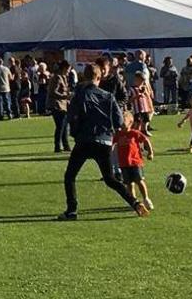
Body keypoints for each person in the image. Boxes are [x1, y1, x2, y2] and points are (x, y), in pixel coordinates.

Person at [59, 64, 145, 220]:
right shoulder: (108, 96)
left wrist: (75, 133)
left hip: (84, 140)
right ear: (99, 77)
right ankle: (135, 202)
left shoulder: (79, 95)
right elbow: (119, 122)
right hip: (104, 141)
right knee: (110, 179)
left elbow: (71, 116)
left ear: (84, 77)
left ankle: (71, 210)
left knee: (70, 176)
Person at [113, 109, 154, 211]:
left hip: (135, 162)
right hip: (123, 163)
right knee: (129, 184)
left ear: (130, 122)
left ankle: (146, 198)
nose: (121, 124)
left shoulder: (134, 133)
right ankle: (134, 201)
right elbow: (112, 144)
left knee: (139, 181)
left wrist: (150, 152)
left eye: (123, 121)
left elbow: (146, 140)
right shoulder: (118, 135)